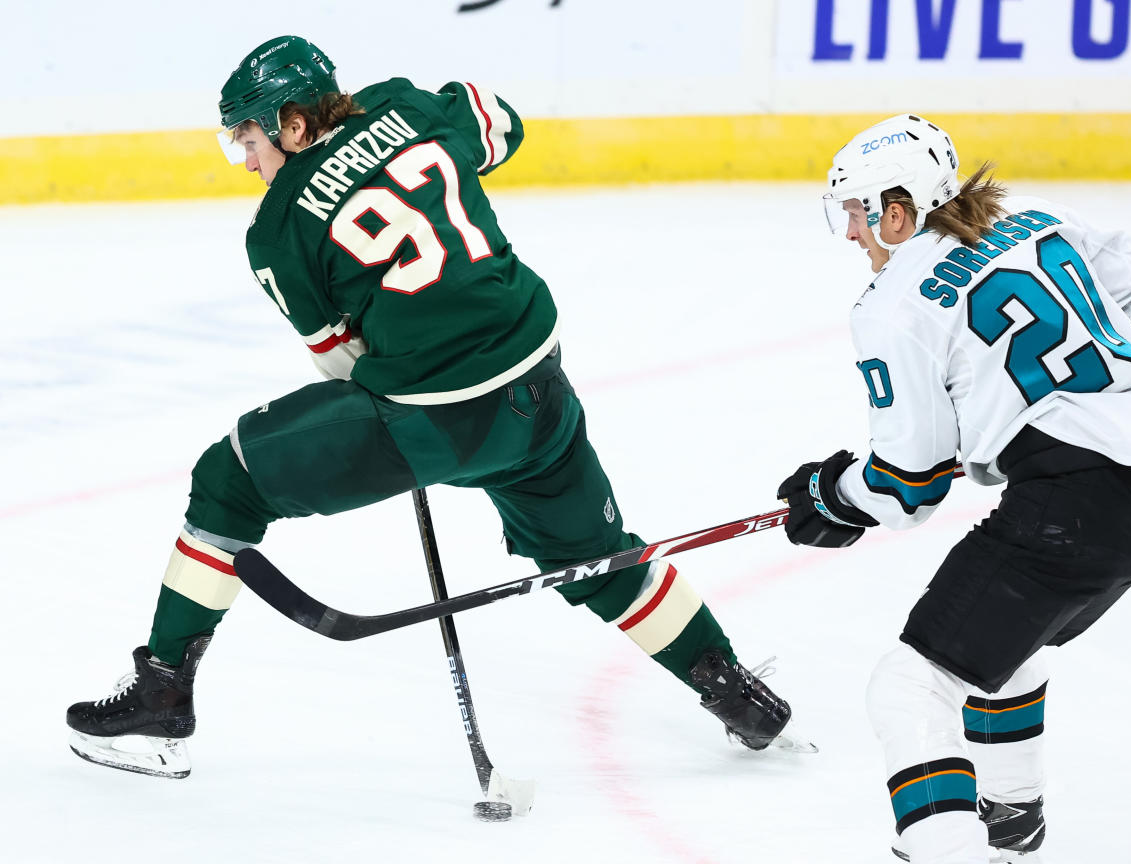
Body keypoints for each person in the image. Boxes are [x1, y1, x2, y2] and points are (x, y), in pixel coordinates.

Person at [66, 35, 809, 779]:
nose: (249, 163)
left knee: (227, 478)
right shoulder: (409, 105)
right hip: (540, 390)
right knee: (597, 559)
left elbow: (341, 364)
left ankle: (162, 693)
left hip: (438, 423)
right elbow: (503, 124)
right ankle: (734, 690)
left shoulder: (278, 228)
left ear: (292, 124)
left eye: (250, 141)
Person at [778, 114, 1131, 864]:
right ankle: (1009, 824)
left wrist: (832, 495)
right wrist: (1081, 407)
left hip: (1072, 509)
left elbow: (905, 487)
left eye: (858, 215)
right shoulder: (1036, 217)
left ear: (900, 212)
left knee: (909, 687)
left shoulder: (894, 303)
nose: (853, 235)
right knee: (1012, 646)